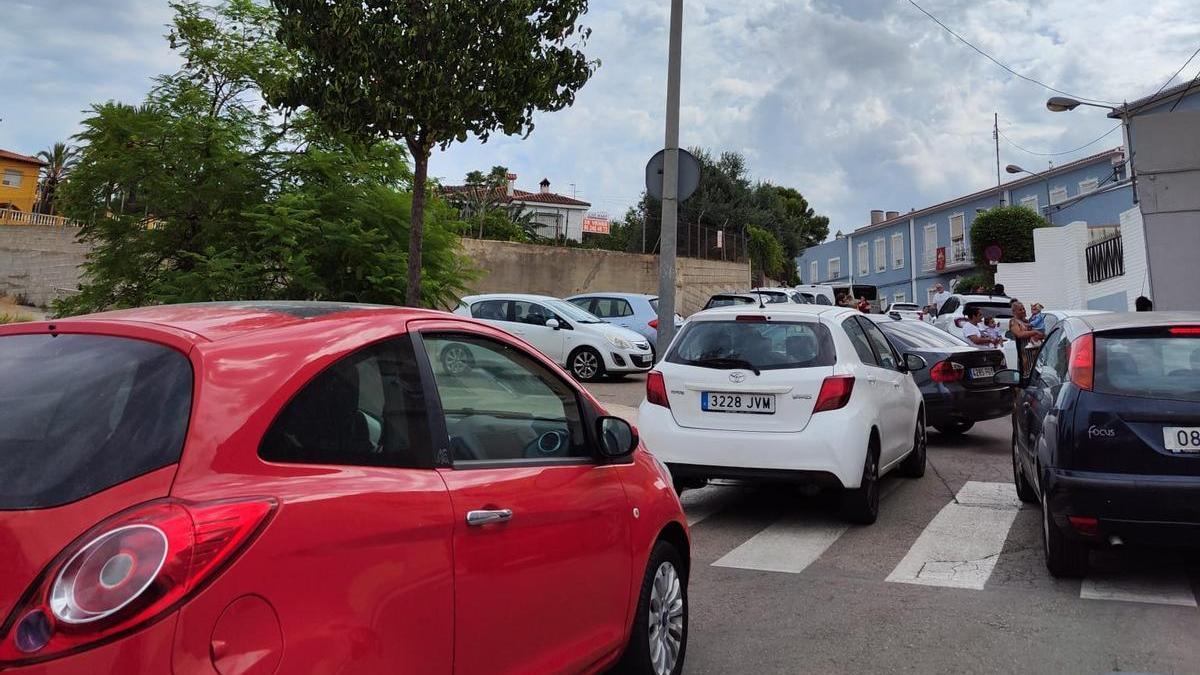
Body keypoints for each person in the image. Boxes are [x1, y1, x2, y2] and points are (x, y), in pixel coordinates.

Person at [1008, 301, 1046, 376]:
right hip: (1024, 358)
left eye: (1023, 309)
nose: (1023, 311)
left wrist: (1040, 334)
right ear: (1014, 312)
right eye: (1020, 310)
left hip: (1035, 357)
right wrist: (1034, 332)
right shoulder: (1014, 322)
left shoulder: (1028, 321)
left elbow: (1042, 334)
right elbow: (1019, 334)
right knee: (1026, 377)